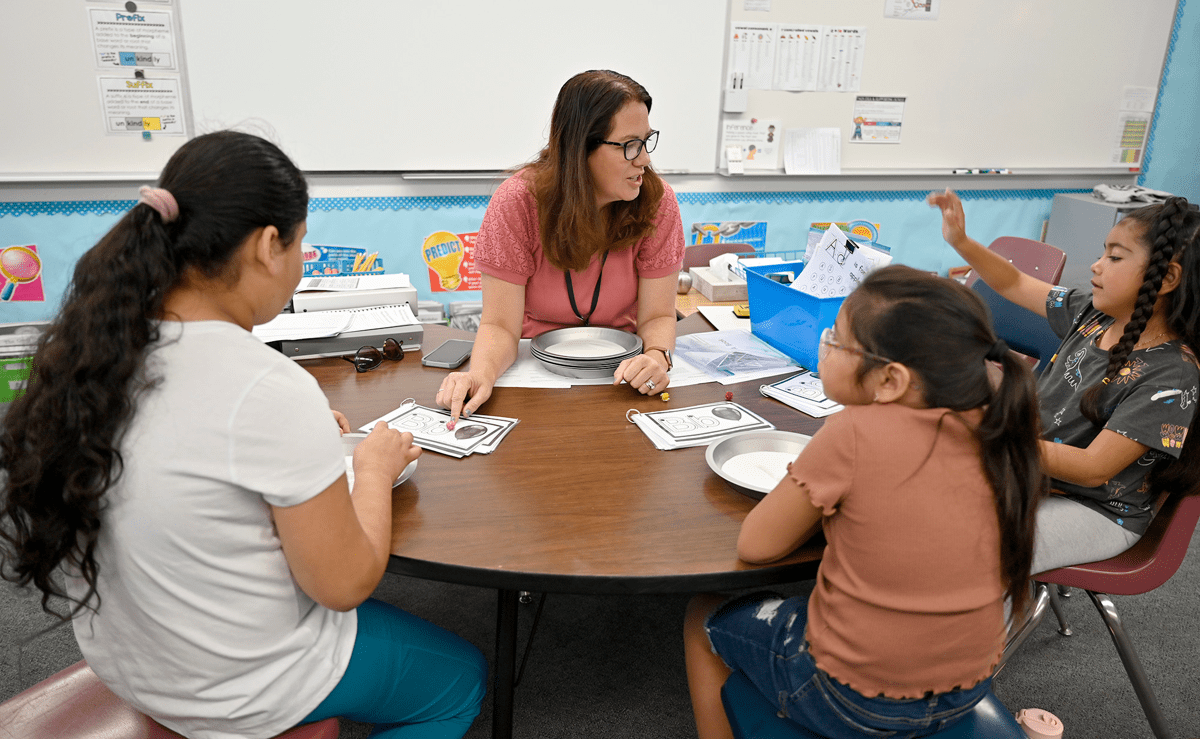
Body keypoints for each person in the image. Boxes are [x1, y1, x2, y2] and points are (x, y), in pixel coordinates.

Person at [0, 131, 486, 739]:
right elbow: (344, 584)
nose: (302, 262)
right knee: (460, 681)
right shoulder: (269, 387)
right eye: (300, 243)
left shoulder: (89, 355)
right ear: (265, 246)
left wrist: (299, 437)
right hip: (238, 686)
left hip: (130, 664)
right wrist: (375, 469)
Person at [684, 265, 1045, 739]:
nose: (825, 344)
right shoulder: (1002, 427)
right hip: (967, 688)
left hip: (852, 700)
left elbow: (756, 546)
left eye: (836, 338)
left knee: (701, 615)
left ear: (891, 380)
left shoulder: (854, 432)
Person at [929, 189, 1200, 574]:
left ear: (1167, 277)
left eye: (1114, 257)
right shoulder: (1092, 315)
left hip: (1098, 511)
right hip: (1037, 476)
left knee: (974, 550)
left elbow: (1093, 468)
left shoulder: (1172, 373)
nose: (1096, 266)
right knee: (924, 503)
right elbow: (1013, 282)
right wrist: (961, 241)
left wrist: (993, 437)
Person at [436, 70, 685, 424]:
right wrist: (480, 375)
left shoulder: (657, 202)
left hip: (622, 379)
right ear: (580, 148)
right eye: (630, 145)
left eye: (647, 141)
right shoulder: (518, 203)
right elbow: (500, 326)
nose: (644, 159)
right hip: (535, 376)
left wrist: (658, 357)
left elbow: (658, 316)